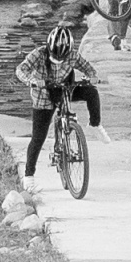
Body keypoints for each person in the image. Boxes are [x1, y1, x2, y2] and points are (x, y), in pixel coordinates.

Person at [15, 23, 101, 182]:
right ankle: (29, 175)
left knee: (92, 92)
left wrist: (92, 76)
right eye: (55, 57)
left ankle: (95, 125)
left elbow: (87, 68)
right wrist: (32, 80)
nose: (58, 61)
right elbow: (21, 69)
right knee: (38, 138)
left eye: (62, 58)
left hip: (64, 90)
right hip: (43, 96)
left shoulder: (73, 56)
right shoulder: (39, 54)